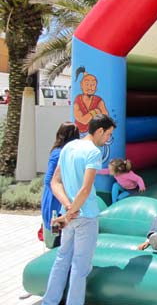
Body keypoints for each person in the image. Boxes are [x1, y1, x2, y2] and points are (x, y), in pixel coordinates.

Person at [41, 114, 116, 305]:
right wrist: (72, 210)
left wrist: (67, 208)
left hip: (70, 216)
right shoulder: (93, 152)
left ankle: (49, 301)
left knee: (62, 259)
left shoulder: (68, 147)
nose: (108, 139)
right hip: (86, 216)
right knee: (79, 267)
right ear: (99, 131)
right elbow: (85, 189)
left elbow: (54, 182)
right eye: (108, 134)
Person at [40, 122, 80, 248]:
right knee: (58, 233)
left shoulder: (61, 151)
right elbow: (49, 180)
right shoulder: (59, 153)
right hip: (56, 199)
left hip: (59, 196)